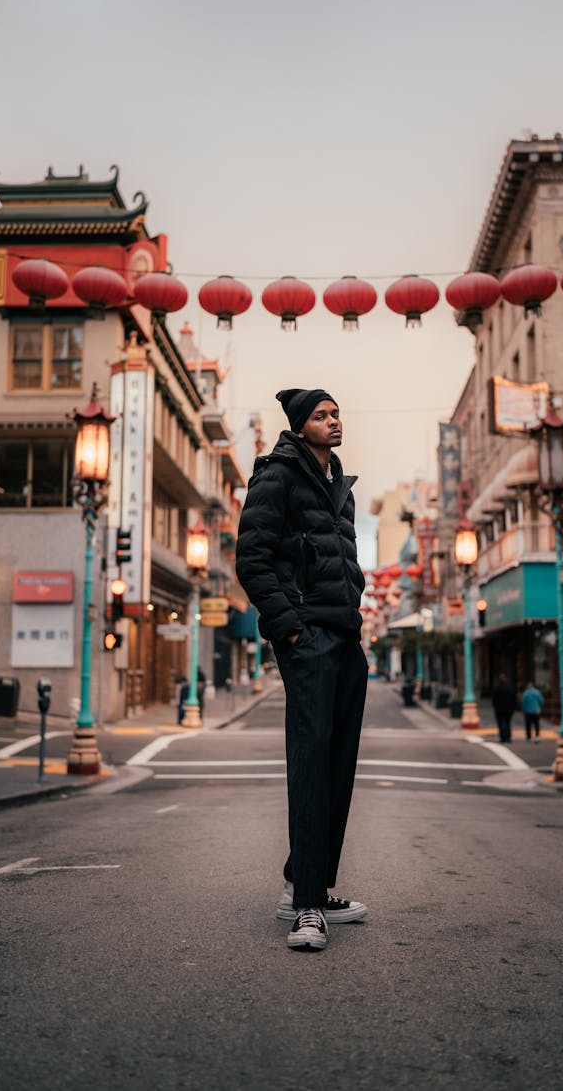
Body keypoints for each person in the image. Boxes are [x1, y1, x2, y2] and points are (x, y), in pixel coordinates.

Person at [236, 388, 368, 952]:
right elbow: (251, 558)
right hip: (308, 637)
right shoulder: (278, 477)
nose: (334, 422)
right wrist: (290, 627)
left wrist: (353, 618)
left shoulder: (341, 486)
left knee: (338, 764)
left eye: (336, 413)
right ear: (299, 426)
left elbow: (346, 560)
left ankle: (305, 883)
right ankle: (306, 909)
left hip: (345, 637)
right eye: (321, 415)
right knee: (311, 763)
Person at [491, 672, 516, 743]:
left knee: (500, 724)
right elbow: (513, 699)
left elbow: (494, 700)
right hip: (508, 709)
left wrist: (495, 706)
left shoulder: (497, 688)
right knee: (508, 723)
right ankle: (508, 737)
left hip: (499, 709)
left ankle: (503, 737)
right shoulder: (510, 688)